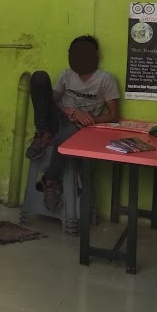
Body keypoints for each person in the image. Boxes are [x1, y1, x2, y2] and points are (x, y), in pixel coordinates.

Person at [26, 35, 120, 211]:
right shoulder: (66, 74)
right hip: (59, 118)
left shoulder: (106, 79)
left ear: (96, 55)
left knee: (68, 131)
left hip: (80, 128)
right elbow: (49, 103)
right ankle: (42, 133)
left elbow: (114, 115)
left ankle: (50, 180)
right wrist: (70, 111)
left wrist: (89, 119)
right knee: (39, 77)